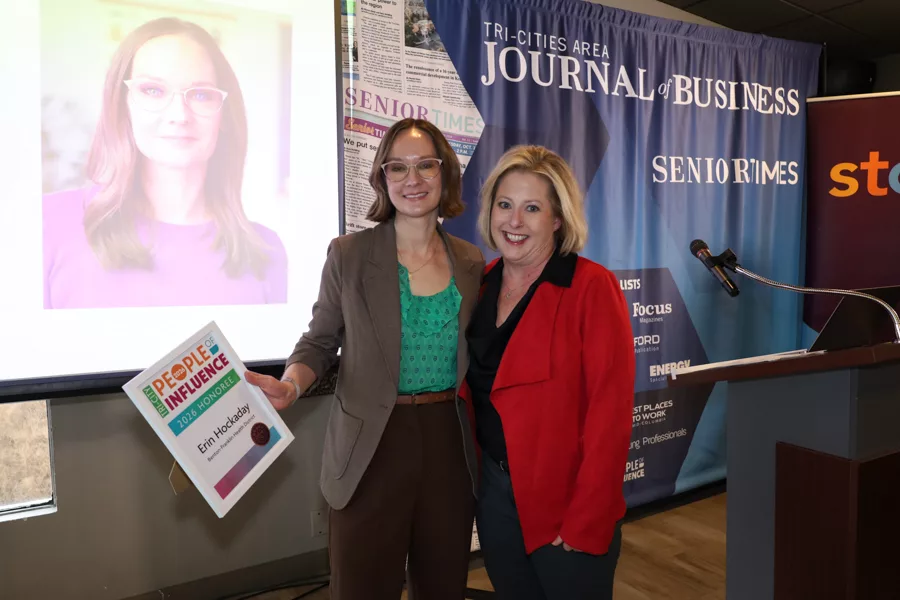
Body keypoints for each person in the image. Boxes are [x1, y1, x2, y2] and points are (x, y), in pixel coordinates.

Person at [245, 118, 485, 600]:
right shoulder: (349, 255)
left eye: (425, 166)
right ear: (381, 177)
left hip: (447, 442)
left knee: (443, 586)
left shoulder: (471, 261)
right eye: (398, 167)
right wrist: (291, 385)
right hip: (369, 446)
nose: (412, 179)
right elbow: (318, 342)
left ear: (445, 174)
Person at [461, 145, 635, 600]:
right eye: (505, 205)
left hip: (565, 505)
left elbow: (610, 414)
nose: (513, 221)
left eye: (532, 208)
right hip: (496, 496)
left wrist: (587, 519)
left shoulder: (591, 287)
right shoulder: (481, 282)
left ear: (557, 219)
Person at [42, 17, 287, 309]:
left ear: (223, 115)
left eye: (200, 94)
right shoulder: (47, 223)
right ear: (123, 105)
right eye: (153, 91)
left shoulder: (267, 252)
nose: (179, 115)